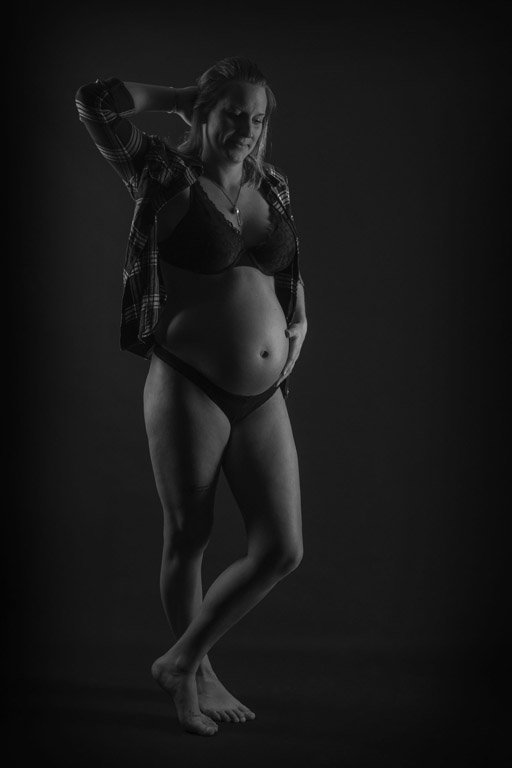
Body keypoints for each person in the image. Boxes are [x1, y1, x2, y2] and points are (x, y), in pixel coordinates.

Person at [75, 56, 307, 738]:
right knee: (190, 535)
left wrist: (300, 317)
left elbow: (284, 269)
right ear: (204, 113)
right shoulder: (163, 173)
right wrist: (180, 93)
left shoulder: (272, 184)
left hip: (264, 394)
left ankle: (180, 660)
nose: (246, 129)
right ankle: (195, 679)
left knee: (282, 549)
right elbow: (95, 103)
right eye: (233, 113)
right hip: (188, 384)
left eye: (257, 118)